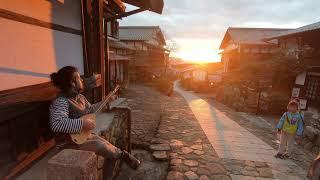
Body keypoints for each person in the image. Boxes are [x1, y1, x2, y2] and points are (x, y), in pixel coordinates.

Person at [49, 66, 140, 180]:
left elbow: (91, 109)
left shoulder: (80, 97)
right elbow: (57, 124)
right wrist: (83, 124)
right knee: (103, 147)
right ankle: (124, 155)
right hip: (68, 143)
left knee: (111, 151)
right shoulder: (61, 101)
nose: (82, 80)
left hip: (82, 136)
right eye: (79, 78)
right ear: (72, 83)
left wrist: (106, 101)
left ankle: (119, 160)